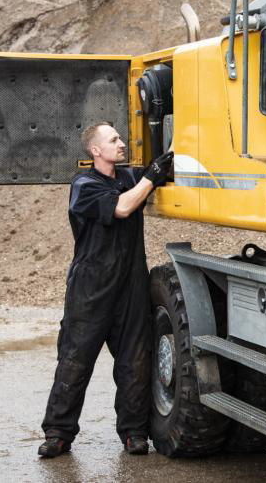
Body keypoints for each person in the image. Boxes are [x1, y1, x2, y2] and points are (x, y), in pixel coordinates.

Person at [37, 121, 173, 458]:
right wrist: (152, 176)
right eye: (113, 140)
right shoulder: (84, 186)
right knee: (75, 361)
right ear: (96, 150)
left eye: (120, 138)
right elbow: (123, 207)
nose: (122, 143)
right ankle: (58, 433)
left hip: (129, 286)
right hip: (91, 289)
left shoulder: (128, 178)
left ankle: (134, 434)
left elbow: (155, 175)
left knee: (135, 362)